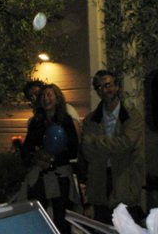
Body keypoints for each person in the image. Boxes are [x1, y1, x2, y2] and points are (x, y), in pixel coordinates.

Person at [81, 70, 145, 225]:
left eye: (108, 85)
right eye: (99, 87)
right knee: (102, 228)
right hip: (100, 184)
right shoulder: (91, 120)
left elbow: (126, 144)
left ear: (117, 86)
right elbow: (86, 151)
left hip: (125, 182)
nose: (104, 90)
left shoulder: (132, 116)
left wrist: (96, 142)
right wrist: (114, 146)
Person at [21, 84, 78, 233]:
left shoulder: (66, 120)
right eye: (43, 96)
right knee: (37, 218)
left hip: (59, 176)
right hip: (39, 175)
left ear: (57, 99)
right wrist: (36, 158)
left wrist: (53, 159)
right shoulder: (35, 122)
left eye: (49, 95)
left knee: (61, 220)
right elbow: (26, 149)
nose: (46, 99)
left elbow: (73, 149)